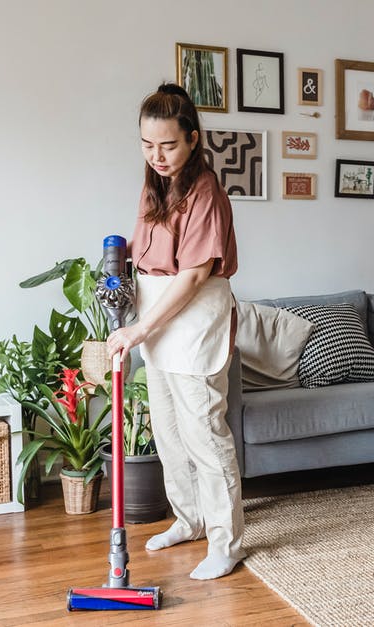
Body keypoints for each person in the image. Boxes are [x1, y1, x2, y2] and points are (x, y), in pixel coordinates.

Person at [106, 83, 244, 581]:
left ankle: (225, 542)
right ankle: (189, 521)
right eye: (147, 145)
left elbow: (191, 276)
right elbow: (146, 258)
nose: (158, 156)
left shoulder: (206, 191)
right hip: (157, 324)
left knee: (206, 436)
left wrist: (140, 329)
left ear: (192, 138)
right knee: (168, 434)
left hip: (191, 322)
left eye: (167, 145)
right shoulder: (153, 187)